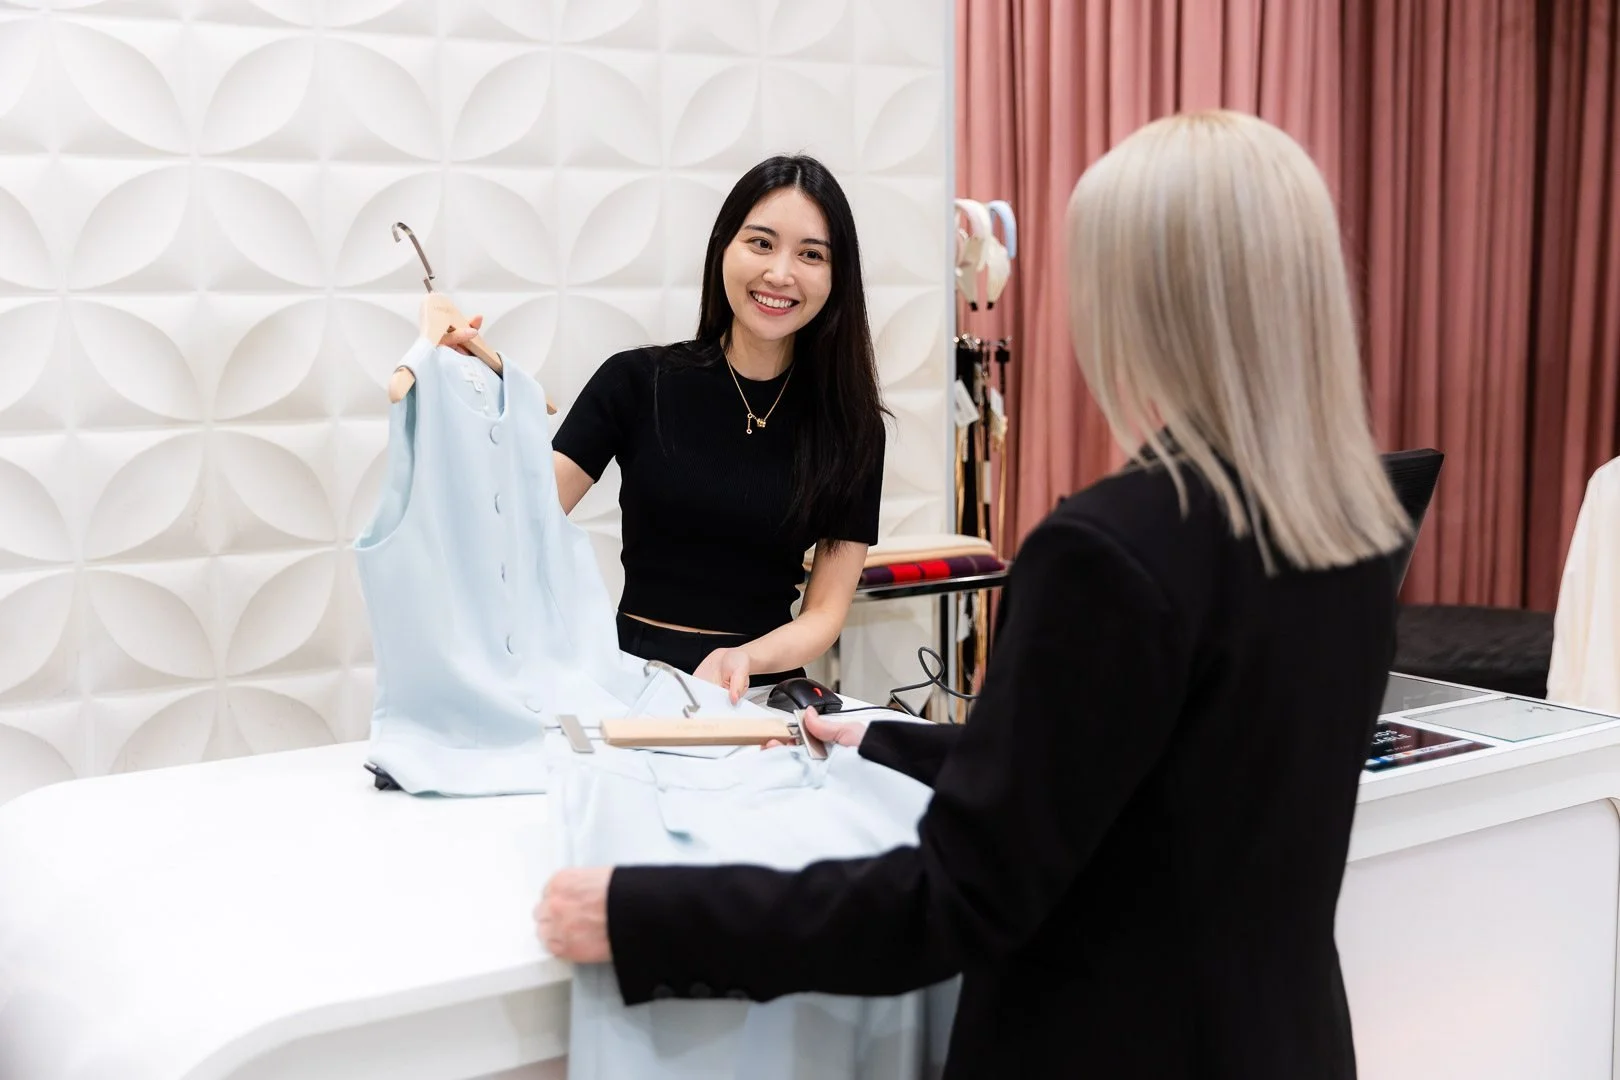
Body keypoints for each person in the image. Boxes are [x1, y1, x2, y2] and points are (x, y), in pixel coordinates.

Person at [535, 110, 1411, 1078]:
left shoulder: (1105, 553)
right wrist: (892, 738)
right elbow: (1147, 778)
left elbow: (960, 896)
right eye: (761, 242)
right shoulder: (1355, 532)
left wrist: (645, 917)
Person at [550, 155, 886, 700]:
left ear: (836, 276)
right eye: (761, 243)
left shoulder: (852, 426)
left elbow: (824, 612)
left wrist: (744, 658)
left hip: (757, 694)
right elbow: (528, 516)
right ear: (723, 247)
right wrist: (476, 400)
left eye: (810, 254)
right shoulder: (636, 381)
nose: (780, 274)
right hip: (631, 683)